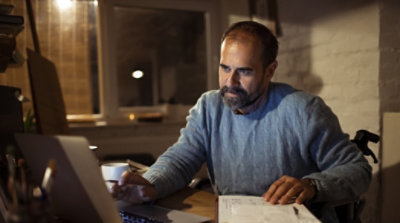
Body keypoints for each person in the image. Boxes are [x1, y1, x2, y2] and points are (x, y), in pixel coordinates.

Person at [111, 21, 372, 222]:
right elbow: (180, 160)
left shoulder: (303, 110)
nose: (230, 82)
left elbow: (358, 170)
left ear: (270, 71)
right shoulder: (209, 106)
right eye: (225, 68)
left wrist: (312, 185)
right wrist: (150, 184)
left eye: (244, 71)